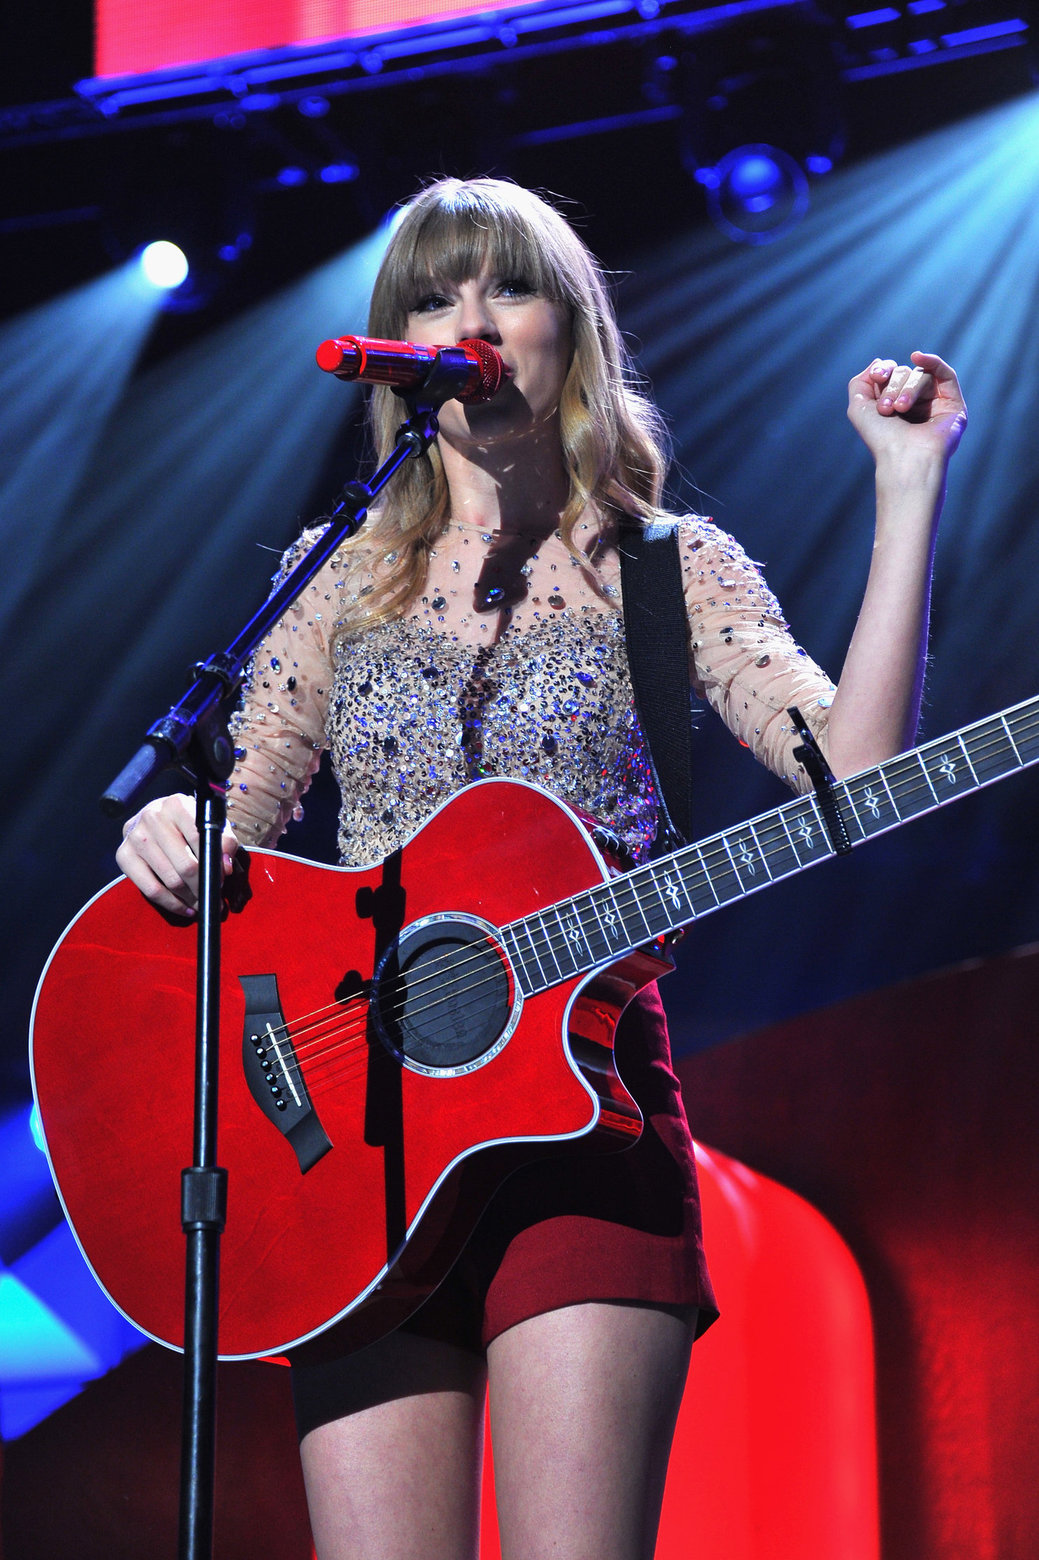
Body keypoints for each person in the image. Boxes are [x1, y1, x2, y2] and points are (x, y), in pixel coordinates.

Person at [116, 176, 967, 1560]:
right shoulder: (335, 577)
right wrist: (178, 832)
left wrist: (906, 483)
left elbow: (856, 782)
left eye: (504, 289)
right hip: (358, 1149)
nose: (473, 324)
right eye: (435, 298)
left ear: (571, 331)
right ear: (398, 346)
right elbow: (243, 822)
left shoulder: (668, 569)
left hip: (585, 1126)